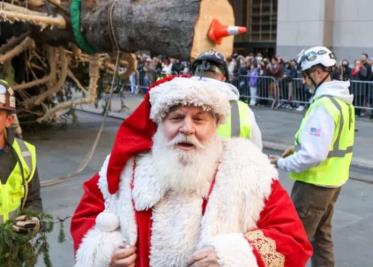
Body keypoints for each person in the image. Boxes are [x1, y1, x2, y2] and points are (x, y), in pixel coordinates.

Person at [71, 76, 312, 267]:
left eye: (199, 120)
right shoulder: (126, 167)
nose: (187, 129)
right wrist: (105, 251)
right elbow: (86, 216)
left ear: (215, 125)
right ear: (160, 124)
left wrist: (233, 257)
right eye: (176, 118)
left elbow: (293, 242)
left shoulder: (249, 171)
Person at [270, 46, 355, 267]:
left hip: (313, 187)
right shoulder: (341, 102)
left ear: (318, 72)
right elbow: (330, 143)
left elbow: (313, 155)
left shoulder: (324, 106)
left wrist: (281, 162)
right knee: (322, 238)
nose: (303, 80)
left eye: (305, 75)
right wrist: (297, 147)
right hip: (332, 183)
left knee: (295, 242)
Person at [191, 49, 263, 150]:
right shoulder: (242, 110)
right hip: (229, 163)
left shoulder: (176, 101)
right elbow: (256, 151)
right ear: (224, 78)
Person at [0, 80, 42, 225]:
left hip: (14, 244)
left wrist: (32, 220)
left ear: (9, 120)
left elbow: (33, 199)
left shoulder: (26, 154)